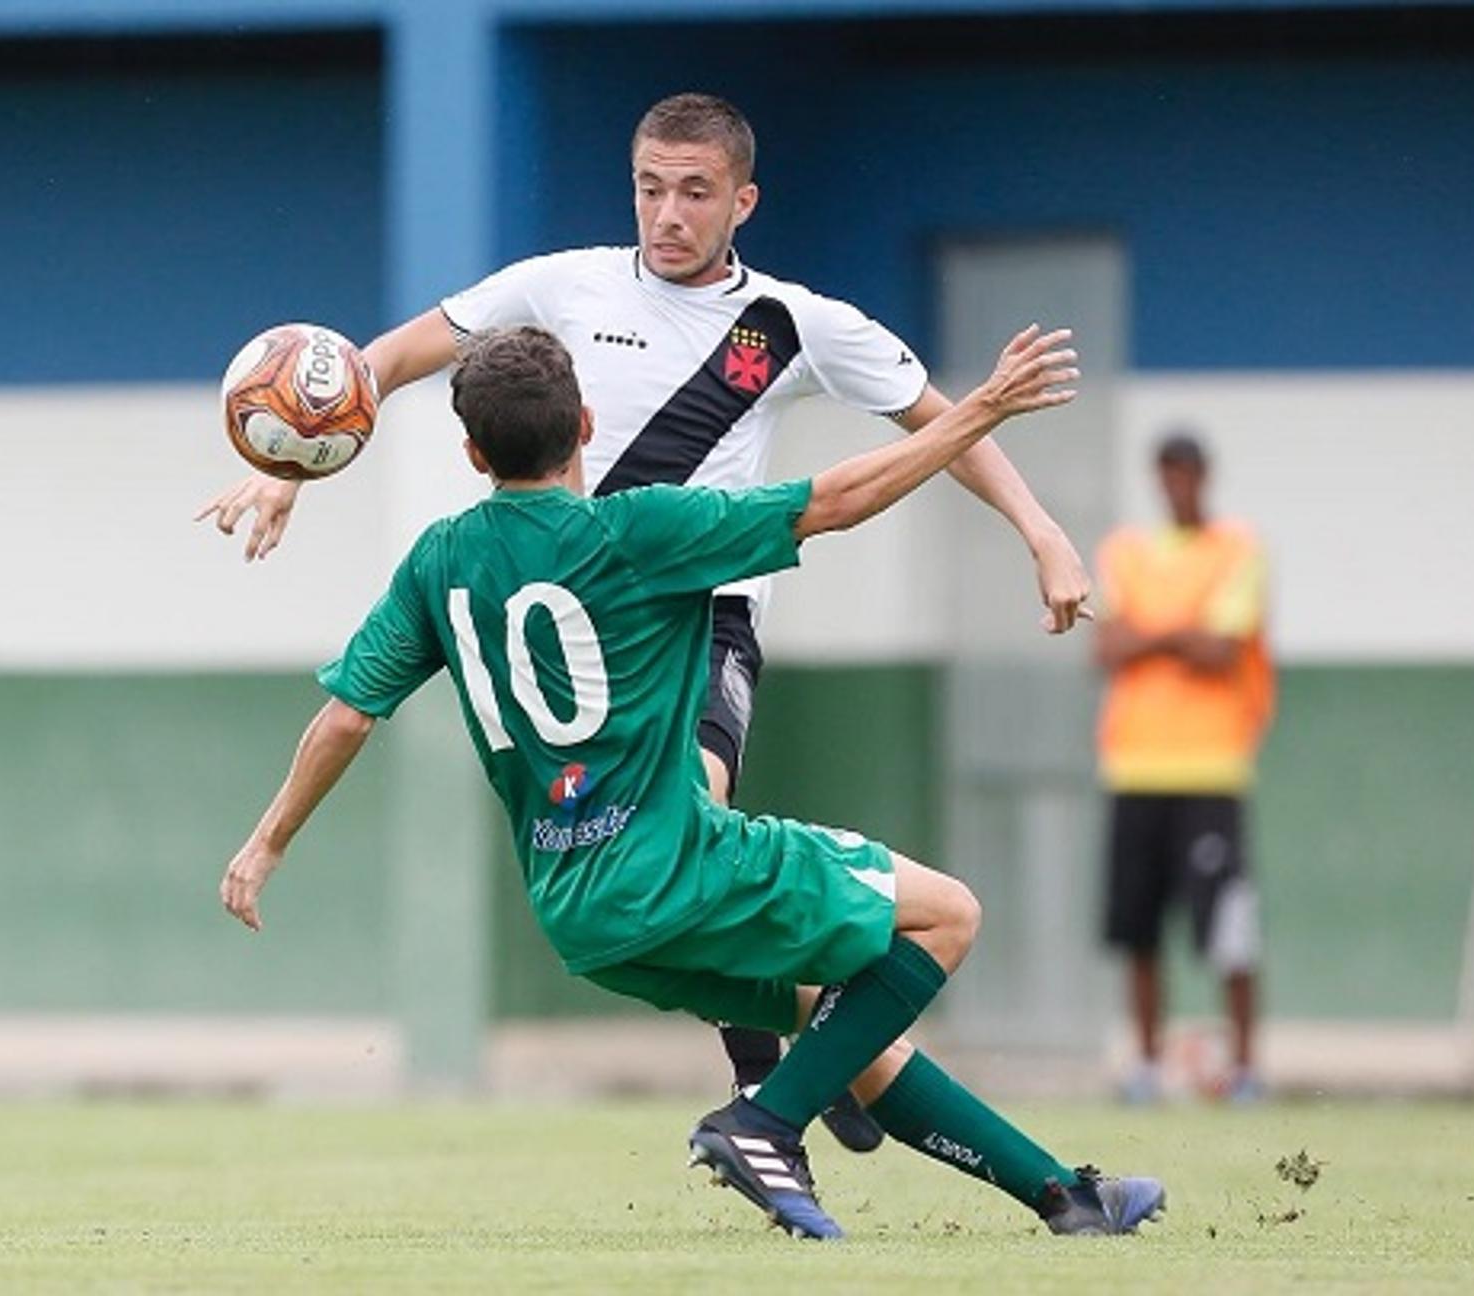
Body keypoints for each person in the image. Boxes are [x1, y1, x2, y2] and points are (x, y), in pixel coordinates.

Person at [200, 92, 1093, 1152]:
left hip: (702, 617)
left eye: (695, 193)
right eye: (650, 188)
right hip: (575, 614)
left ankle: (774, 1082)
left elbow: (933, 421)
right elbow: (380, 364)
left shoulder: (796, 325)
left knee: (689, 806)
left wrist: (1039, 528)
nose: (667, 213)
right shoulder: (557, 285)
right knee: (680, 853)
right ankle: (795, 1080)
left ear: (742, 202)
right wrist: (293, 469)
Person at [218, 324, 1162, 1240]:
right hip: (680, 861)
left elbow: (346, 715)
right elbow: (837, 497)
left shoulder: (438, 559)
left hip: (578, 913)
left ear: (471, 453)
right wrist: (983, 408)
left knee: (850, 1028)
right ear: (587, 425)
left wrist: (266, 845)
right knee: (947, 915)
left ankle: (1066, 1199)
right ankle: (766, 1124)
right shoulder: (643, 530)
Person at [1094, 431, 1274, 1103]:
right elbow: (1107, 647)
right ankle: (1144, 1065)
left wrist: (1149, 634)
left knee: (1228, 929)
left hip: (1212, 769)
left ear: (1205, 476)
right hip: (1132, 768)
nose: (1177, 487)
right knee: (1137, 930)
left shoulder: (1237, 548)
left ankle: (1248, 1068)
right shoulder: (1125, 553)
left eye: (1187, 476)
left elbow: (1221, 650)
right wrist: (1178, 631)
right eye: (1166, 476)